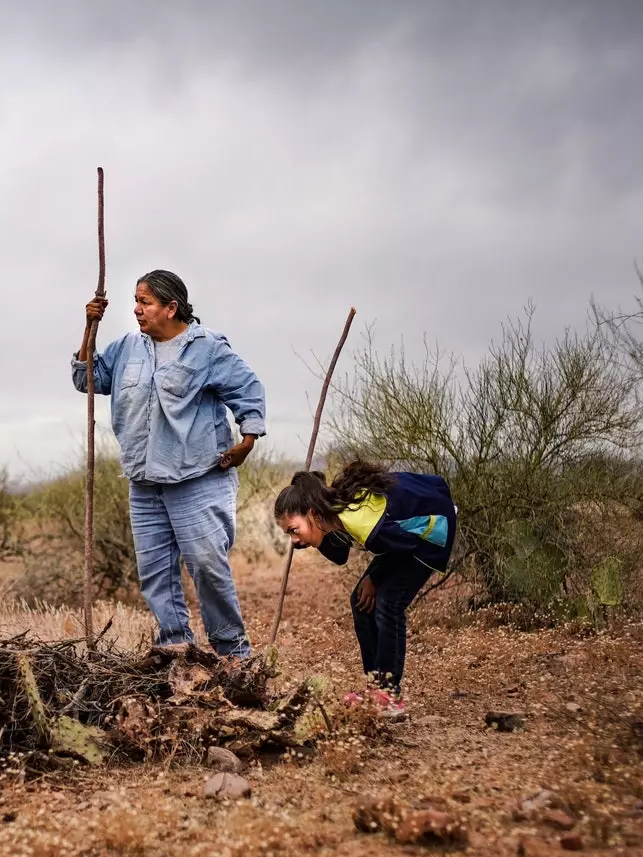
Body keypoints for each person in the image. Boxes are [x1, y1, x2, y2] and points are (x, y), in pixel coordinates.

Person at [73, 269, 266, 658]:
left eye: (145, 302)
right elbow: (87, 379)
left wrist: (246, 442)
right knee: (156, 574)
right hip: (144, 482)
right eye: (136, 301)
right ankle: (176, 649)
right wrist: (89, 328)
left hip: (197, 477)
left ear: (171, 307)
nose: (137, 310)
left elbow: (247, 390)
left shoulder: (206, 347)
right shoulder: (127, 347)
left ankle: (233, 654)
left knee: (207, 564)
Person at [273, 460, 456, 705]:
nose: (294, 540)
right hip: (399, 541)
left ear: (313, 514)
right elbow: (340, 555)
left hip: (429, 532)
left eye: (294, 530)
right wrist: (310, 539)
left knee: (388, 601)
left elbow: (405, 548)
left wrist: (375, 577)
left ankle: (389, 695)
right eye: (290, 534)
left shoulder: (360, 522)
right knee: (360, 600)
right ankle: (375, 687)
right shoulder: (333, 512)